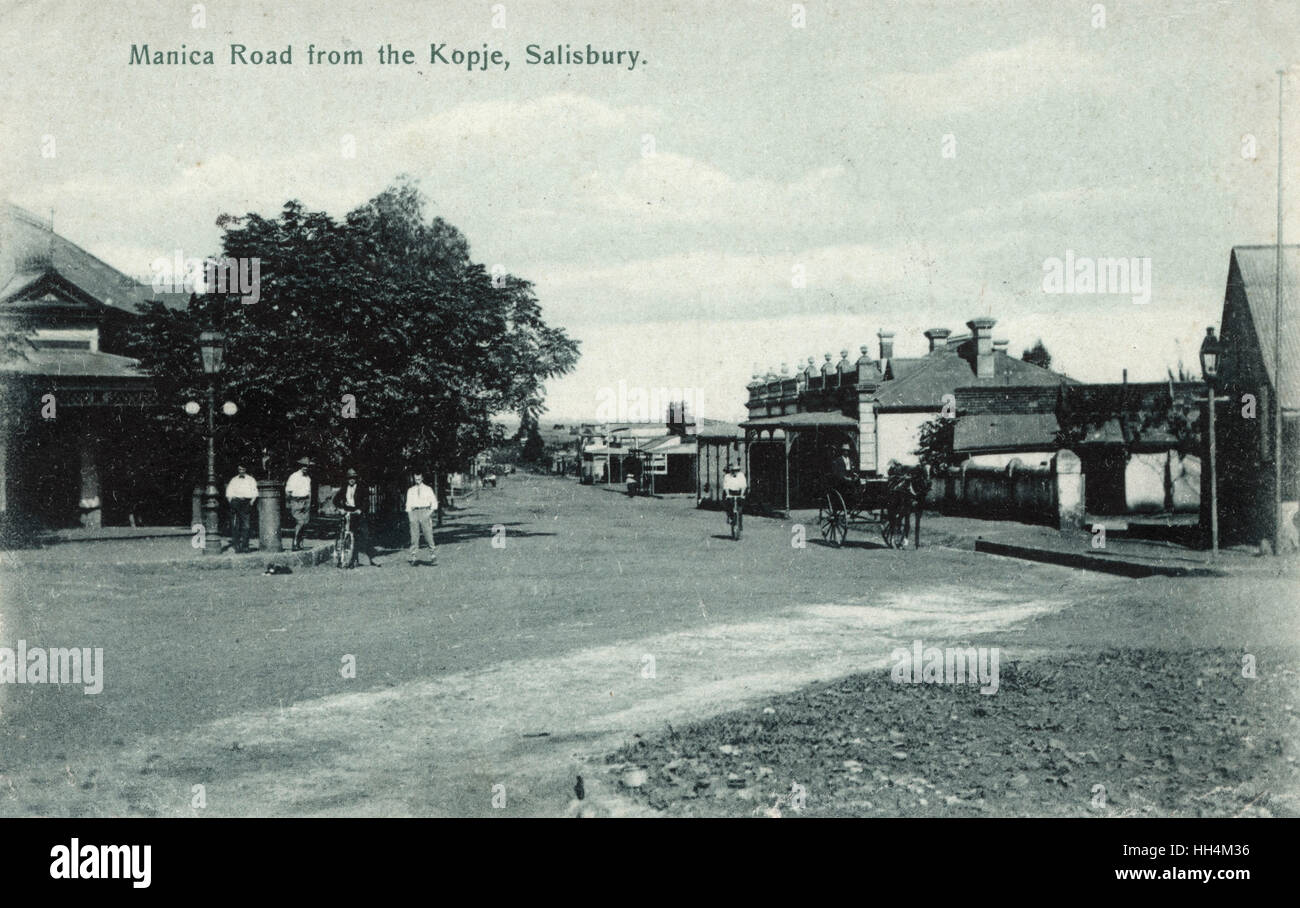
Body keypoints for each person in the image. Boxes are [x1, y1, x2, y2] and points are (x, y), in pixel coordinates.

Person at [332, 468, 380, 566]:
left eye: (353, 478)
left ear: (356, 478)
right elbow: (336, 500)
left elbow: (366, 502)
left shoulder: (361, 488)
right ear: (347, 479)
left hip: (357, 513)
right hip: (347, 512)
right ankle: (343, 557)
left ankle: (362, 557)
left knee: (364, 534)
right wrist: (340, 508)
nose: (351, 480)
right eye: (350, 478)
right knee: (344, 534)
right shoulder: (344, 488)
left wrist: (360, 510)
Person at [405, 469, 438, 565]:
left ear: (422, 478)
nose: (417, 480)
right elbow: (408, 504)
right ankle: (414, 556)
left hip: (425, 511)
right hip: (414, 512)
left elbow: (434, 503)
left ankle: (432, 554)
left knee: (428, 533)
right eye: (416, 479)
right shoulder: (410, 490)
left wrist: (428, 513)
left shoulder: (428, 489)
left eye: (419, 478)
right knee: (414, 535)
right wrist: (410, 515)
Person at [225, 463, 258, 553]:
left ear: (245, 469)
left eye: (243, 469)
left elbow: (255, 493)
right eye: (239, 469)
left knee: (246, 526)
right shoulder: (234, 480)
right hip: (236, 502)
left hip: (246, 503)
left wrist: (251, 503)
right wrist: (232, 502)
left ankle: (245, 546)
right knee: (235, 525)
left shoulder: (251, 480)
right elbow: (229, 493)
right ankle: (237, 546)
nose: (241, 471)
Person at [285, 457, 313, 551]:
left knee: (305, 523)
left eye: (307, 466)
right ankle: (295, 542)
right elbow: (288, 491)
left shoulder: (308, 478)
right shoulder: (294, 476)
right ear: (300, 466)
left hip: (306, 501)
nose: (305, 468)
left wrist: (309, 503)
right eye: (303, 466)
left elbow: (309, 491)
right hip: (296, 501)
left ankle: (300, 543)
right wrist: (290, 503)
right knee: (300, 522)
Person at [722, 460, 747, 531]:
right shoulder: (727, 476)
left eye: (737, 470)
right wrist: (728, 495)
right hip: (730, 492)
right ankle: (730, 517)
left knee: (740, 509)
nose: (735, 472)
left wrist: (742, 494)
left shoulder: (741, 475)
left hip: (739, 492)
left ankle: (740, 525)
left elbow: (743, 485)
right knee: (728, 505)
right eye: (733, 470)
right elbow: (726, 486)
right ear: (731, 471)